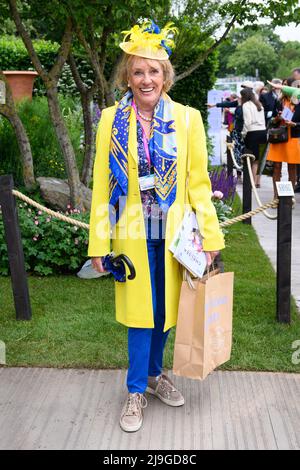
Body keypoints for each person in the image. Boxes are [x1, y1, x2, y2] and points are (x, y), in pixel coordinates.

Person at [88, 20, 225, 433]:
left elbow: (198, 185)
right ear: (126, 77)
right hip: (130, 232)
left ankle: (154, 375)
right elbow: (100, 187)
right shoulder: (111, 119)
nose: (146, 79)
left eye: (153, 71)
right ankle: (135, 390)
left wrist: (211, 237)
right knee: (139, 315)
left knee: (165, 314)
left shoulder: (188, 120)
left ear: (165, 76)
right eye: (137, 71)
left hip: (175, 236)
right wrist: (98, 243)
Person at [266, 80, 300, 197]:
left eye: (286, 86)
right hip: (279, 135)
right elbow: (271, 120)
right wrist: (277, 118)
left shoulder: (298, 102)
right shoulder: (279, 101)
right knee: (276, 166)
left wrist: (294, 124)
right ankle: (276, 196)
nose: (283, 89)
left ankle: (290, 197)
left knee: (292, 166)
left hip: (293, 136)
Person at [241, 87, 267, 188]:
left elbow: (247, 122)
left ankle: (251, 182)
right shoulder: (259, 104)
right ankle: (257, 181)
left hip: (252, 133)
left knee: (252, 159)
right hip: (262, 132)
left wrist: (243, 133)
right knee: (260, 159)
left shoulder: (246, 105)